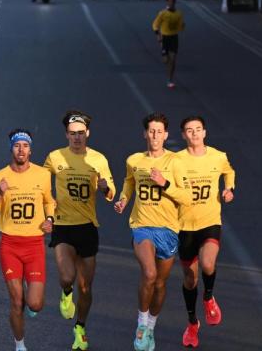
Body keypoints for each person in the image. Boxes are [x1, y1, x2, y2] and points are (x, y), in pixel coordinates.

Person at [114, 113, 191, 351]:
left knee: (159, 283)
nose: (155, 136)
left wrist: (165, 184)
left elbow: (187, 197)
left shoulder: (176, 162)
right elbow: (129, 181)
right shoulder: (134, 160)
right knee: (148, 273)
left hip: (168, 228)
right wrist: (124, 198)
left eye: (160, 132)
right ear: (145, 134)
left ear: (166, 135)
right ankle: (141, 323)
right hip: (142, 225)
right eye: (151, 131)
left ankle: (151, 327)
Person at [43, 111, 115, 351]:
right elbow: (41, 184)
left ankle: (80, 328)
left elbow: (111, 192)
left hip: (87, 227)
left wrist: (105, 188)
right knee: (67, 276)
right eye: (72, 134)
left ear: (87, 134)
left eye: (81, 134)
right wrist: (47, 210)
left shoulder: (98, 159)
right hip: (63, 225)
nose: (77, 138)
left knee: (86, 287)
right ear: (66, 135)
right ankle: (65, 292)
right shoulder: (55, 157)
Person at [0, 129, 56, 351]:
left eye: (25, 146)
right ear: (11, 149)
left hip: (34, 246)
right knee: (16, 301)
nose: (21, 150)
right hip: (10, 245)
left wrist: (50, 219)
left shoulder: (42, 175)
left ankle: (29, 299)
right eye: (17, 146)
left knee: (35, 303)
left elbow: (49, 201)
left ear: (31, 150)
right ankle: (20, 344)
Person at [174, 116, 236, 348]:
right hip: (184, 226)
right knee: (190, 278)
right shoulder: (176, 160)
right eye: (189, 131)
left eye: (198, 129)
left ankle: (208, 297)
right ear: (183, 135)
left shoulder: (218, 156)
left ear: (205, 132)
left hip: (210, 221)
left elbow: (229, 172)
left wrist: (228, 189)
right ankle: (192, 323)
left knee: (208, 264)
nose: (195, 134)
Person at [152, 0, 185, 89]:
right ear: (167, 2)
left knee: (173, 59)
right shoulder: (162, 13)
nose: (171, 3)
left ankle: (170, 80)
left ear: (175, 2)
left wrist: (182, 26)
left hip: (174, 37)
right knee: (166, 60)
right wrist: (158, 35)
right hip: (164, 38)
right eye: (169, 1)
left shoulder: (179, 14)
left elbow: (180, 27)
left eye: (172, 1)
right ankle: (167, 62)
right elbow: (155, 24)